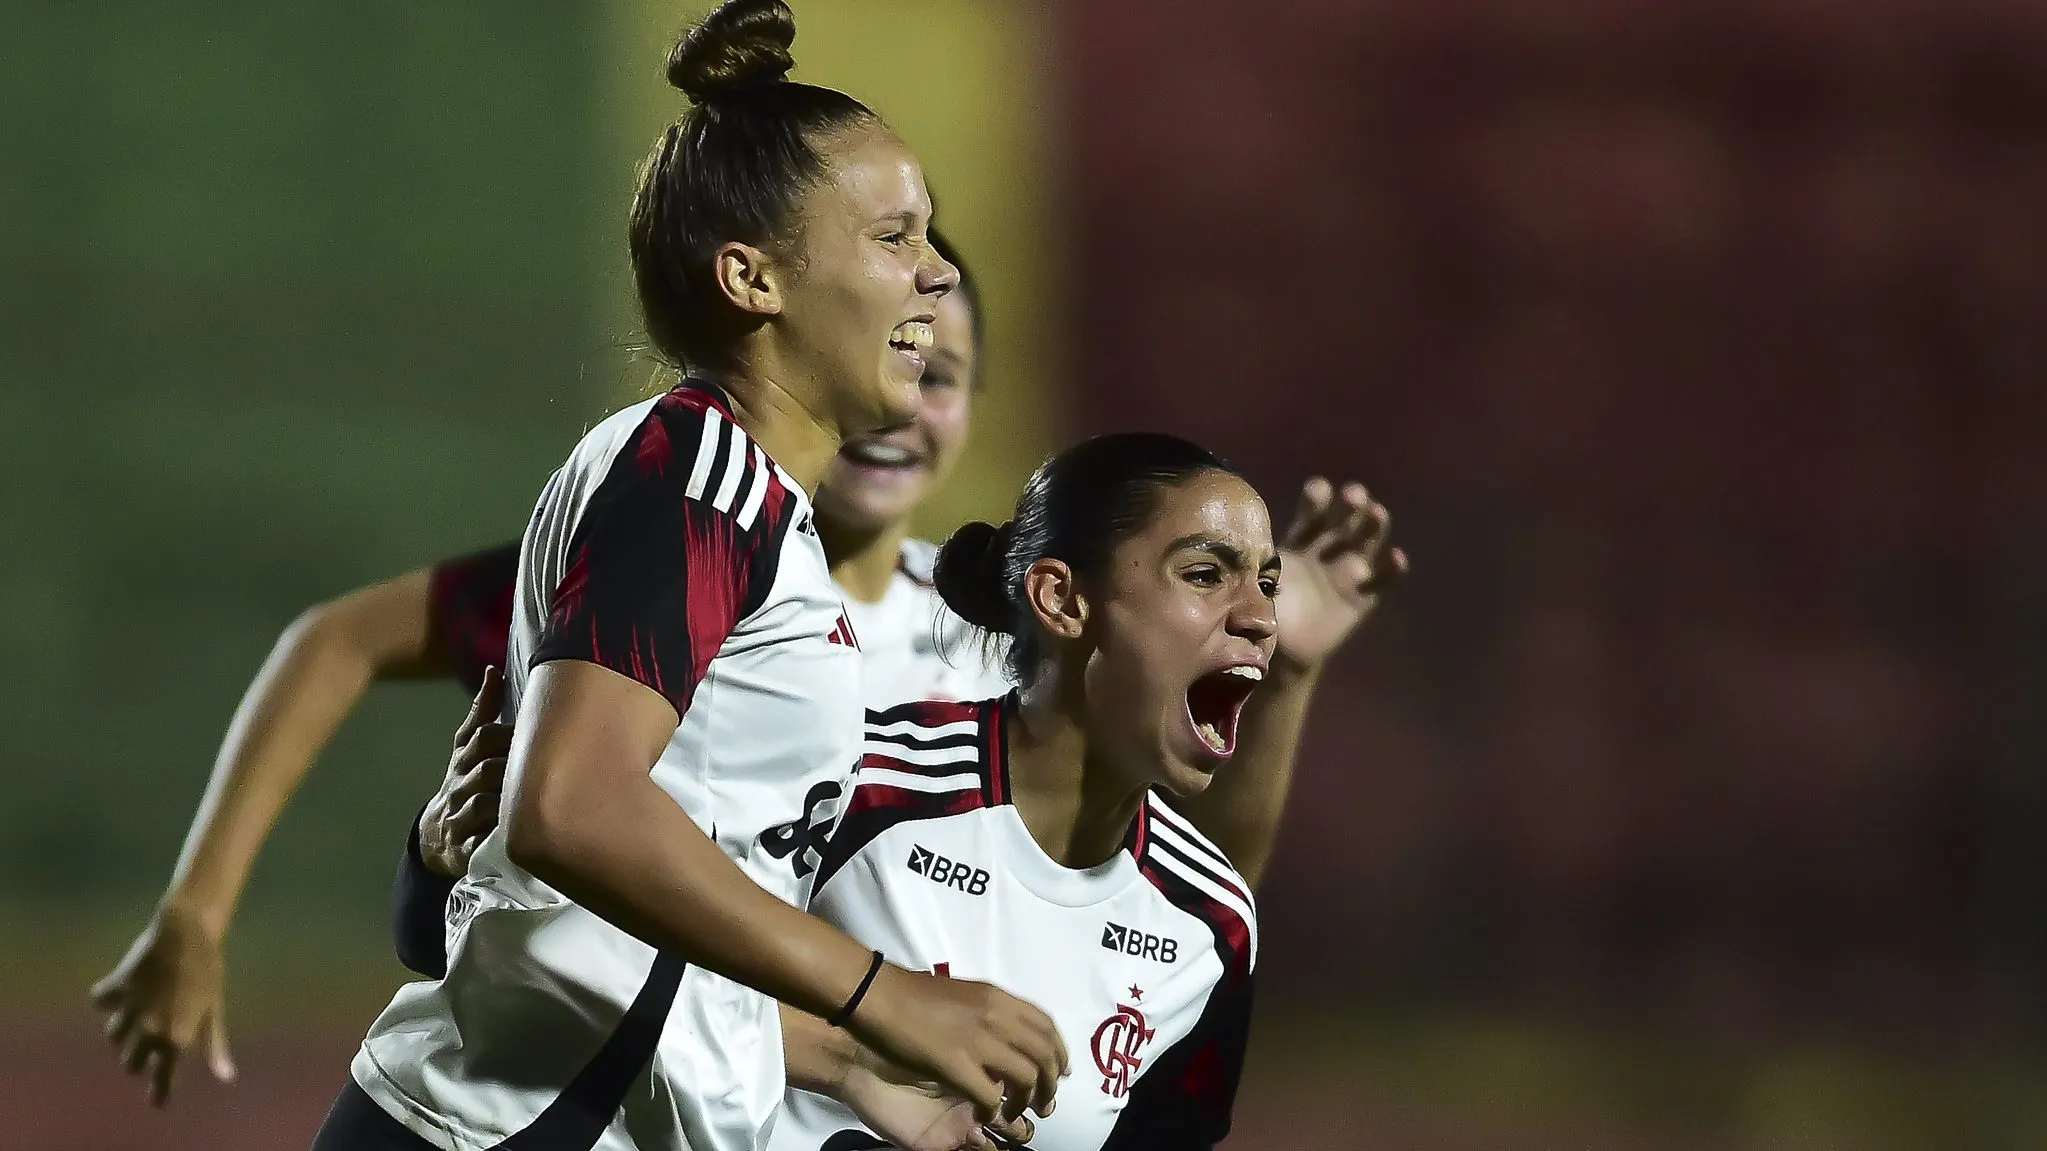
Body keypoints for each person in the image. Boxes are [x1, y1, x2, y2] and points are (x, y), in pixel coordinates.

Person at [90, 223, 1404, 1111]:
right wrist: (298, 891)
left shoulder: (995, 638)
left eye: (946, 376)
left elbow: (1165, 880)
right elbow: (410, 734)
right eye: (901, 352)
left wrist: (1278, 677)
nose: (912, 396)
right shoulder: (672, 552)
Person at [300, 3, 1068, 1148]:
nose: (937, 272)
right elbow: (571, 808)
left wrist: (846, 1058)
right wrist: (882, 991)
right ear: (754, 278)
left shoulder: (740, 499)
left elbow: (620, 923)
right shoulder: (697, 471)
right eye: (895, 237)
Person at [403, 433, 1316, 1150]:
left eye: (1267, 583)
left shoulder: (1212, 925)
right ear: (1062, 601)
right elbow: (553, 949)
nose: (1260, 617)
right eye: (1205, 574)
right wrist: (435, 869)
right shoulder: (861, 780)